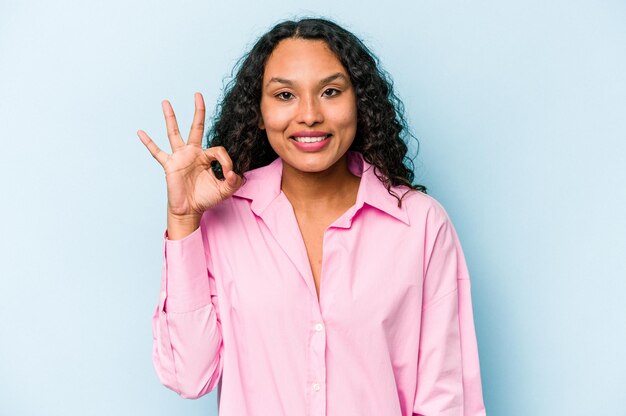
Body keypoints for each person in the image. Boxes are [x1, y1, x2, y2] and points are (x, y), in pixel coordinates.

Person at [138, 17, 486, 416]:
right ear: (259, 110)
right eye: (285, 95)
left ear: (361, 102)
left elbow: (446, 399)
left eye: (330, 91)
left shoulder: (421, 225)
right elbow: (190, 376)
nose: (309, 115)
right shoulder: (222, 219)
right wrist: (183, 219)